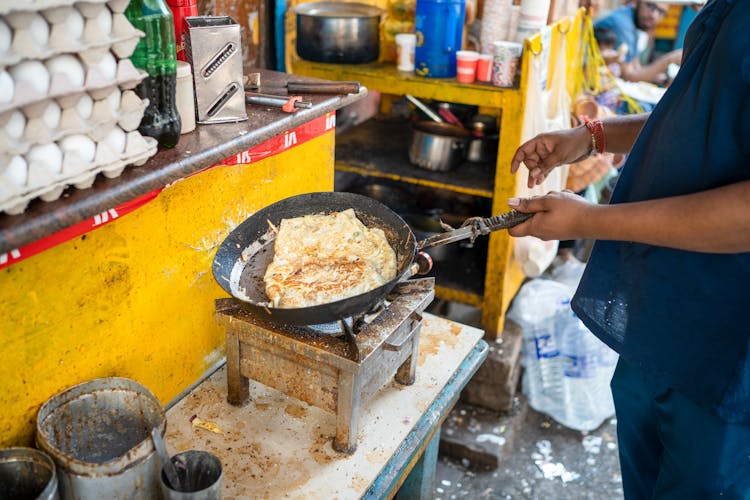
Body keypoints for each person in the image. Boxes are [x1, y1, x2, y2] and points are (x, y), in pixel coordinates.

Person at [508, 0, 750, 497]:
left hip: (726, 340)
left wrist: (592, 220)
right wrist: (592, 136)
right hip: (663, 312)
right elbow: (701, 116)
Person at [594, 0, 682, 83]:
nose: (654, 15)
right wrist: (669, 60)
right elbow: (629, 76)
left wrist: (658, 77)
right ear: (636, 1)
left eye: (661, 12)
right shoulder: (622, 24)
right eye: (650, 5)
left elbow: (636, 67)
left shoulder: (634, 22)